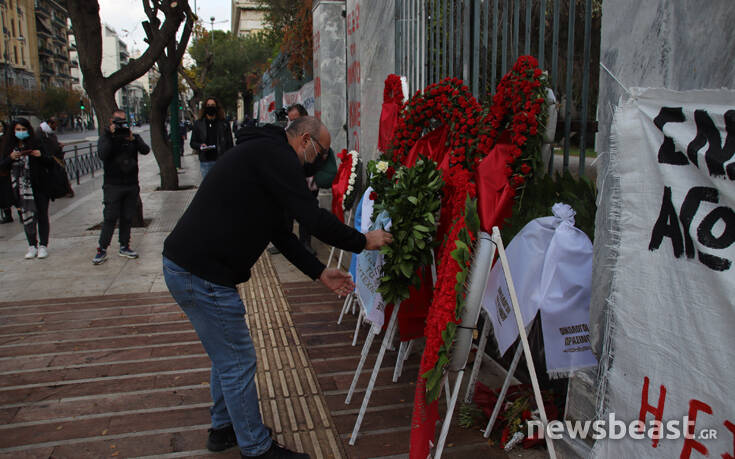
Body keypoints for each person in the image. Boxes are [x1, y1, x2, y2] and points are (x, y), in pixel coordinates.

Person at [162, 117, 392, 459]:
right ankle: (256, 449)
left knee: (226, 356)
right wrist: (362, 241)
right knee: (238, 360)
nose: (320, 160)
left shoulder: (266, 154)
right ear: (304, 140)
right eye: (321, 152)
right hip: (201, 272)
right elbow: (312, 219)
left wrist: (318, 272)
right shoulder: (278, 157)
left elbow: (280, 232)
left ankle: (223, 428)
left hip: (195, 267)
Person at [92, 110, 150, 265]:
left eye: (123, 121)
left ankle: (125, 245)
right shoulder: (106, 138)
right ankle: (102, 249)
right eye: (117, 121)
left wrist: (134, 140)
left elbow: (145, 150)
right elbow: (103, 154)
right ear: (111, 121)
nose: (120, 124)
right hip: (113, 185)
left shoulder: (131, 137)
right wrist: (111, 136)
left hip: (131, 184)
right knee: (110, 217)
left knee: (127, 217)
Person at [0, 118, 55, 259]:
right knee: (27, 217)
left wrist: (40, 155)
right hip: (21, 190)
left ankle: (43, 245)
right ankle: (32, 245)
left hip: (40, 186)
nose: (21, 132)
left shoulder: (36, 143)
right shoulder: (9, 146)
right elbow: (3, 166)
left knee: (42, 216)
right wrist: (11, 157)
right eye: (18, 130)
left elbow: (50, 161)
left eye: (23, 129)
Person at [190, 97, 233, 180]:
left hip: (221, 161)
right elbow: (193, 142)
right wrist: (200, 146)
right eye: (208, 105)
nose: (210, 107)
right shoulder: (199, 124)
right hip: (206, 161)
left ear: (217, 107)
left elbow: (229, 143)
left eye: (213, 105)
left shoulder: (223, 123)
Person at [36, 117, 73, 198]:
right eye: (55, 124)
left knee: (61, 175)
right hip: (51, 158)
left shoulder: (48, 132)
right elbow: (47, 146)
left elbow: (53, 143)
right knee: (58, 176)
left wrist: (58, 145)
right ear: (50, 124)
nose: (56, 127)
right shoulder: (41, 132)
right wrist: (57, 147)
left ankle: (64, 190)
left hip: (55, 157)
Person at [0, 121, 14, 223]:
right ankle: (7, 215)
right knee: (3, 195)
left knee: (11, 192)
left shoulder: (7, 139)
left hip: (7, 168)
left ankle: (20, 213)